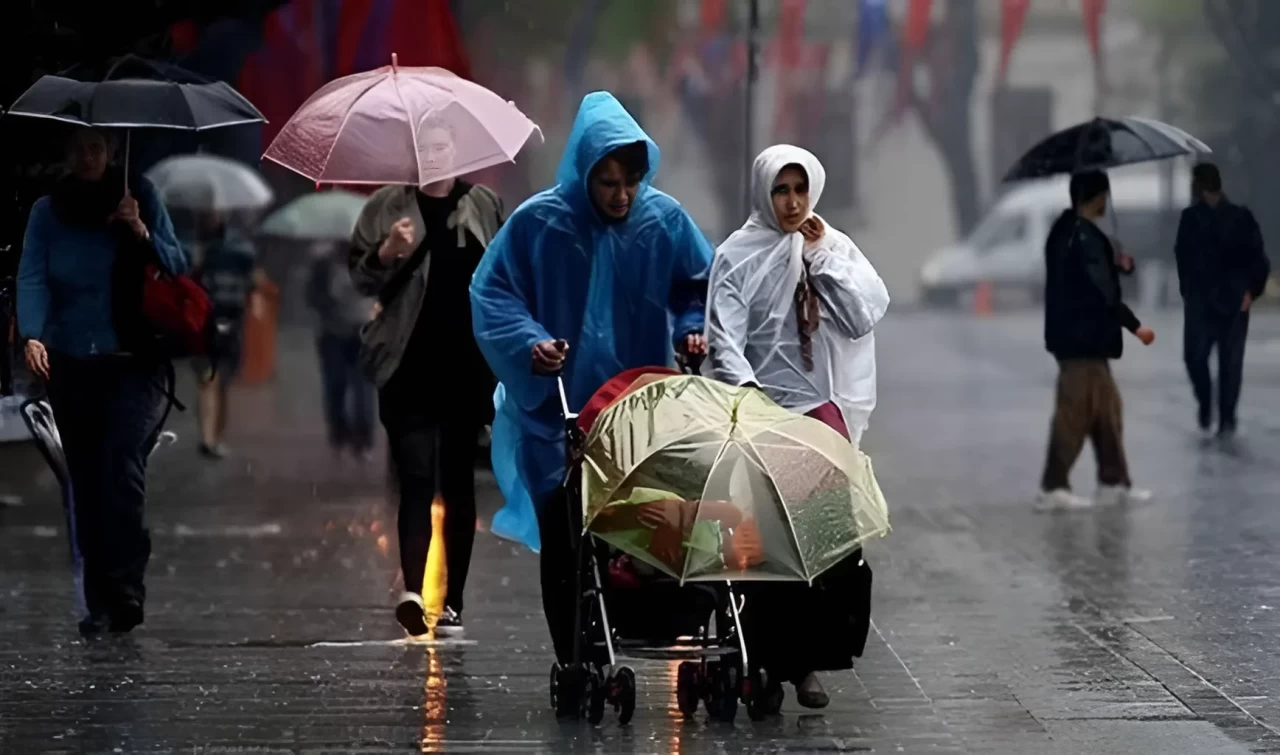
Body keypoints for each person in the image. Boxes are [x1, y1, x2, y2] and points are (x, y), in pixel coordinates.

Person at [470, 92, 713, 676]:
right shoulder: (539, 223)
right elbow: (494, 292)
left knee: (646, 523)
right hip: (557, 410)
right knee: (564, 531)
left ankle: (636, 626)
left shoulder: (664, 221)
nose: (620, 195)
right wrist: (532, 342)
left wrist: (690, 331)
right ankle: (576, 654)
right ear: (584, 173)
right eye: (607, 182)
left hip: (639, 406)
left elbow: (698, 287)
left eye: (629, 181)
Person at [705, 144, 888, 709]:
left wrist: (822, 257)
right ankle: (774, 659)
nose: (791, 203)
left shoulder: (826, 244)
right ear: (765, 192)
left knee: (828, 544)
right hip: (761, 416)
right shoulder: (736, 256)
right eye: (782, 191)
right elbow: (724, 338)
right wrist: (750, 398)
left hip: (819, 412)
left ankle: (813, 660)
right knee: (767, 549)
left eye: (800, 190)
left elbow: (861, 316)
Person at [18, 127, 187, 635]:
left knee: (121, 466)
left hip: (134, 361)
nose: (88, 156)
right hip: (72, 360)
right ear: (67, 155)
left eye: (97, 147)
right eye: (78, 148)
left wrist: (140, 232)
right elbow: (32, 275)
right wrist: (32, 334)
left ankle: (127, 587)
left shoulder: (139, 196)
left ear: (111, 151)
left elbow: (177, 263)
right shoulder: (48, 213)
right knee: (86, 482)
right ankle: (99, 601)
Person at [349, 116, 503, 638]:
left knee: (458, 482)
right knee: (415, 476)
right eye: (424, 147)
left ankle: (453, 601)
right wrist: (387, 251)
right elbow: (359, 275)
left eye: (441, 145)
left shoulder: (481, 205)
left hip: (465, 367)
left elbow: (504, 274)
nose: (433, 155)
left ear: (456, 149)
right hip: (406, 364)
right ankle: (414, 591)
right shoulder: (386, 206)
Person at [1038, 170, 1155, 510]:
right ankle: (1053, 486)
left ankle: (1113, 481)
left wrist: (1116, 262)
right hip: (1080, 340)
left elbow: (1094, 275)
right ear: (1097, 197)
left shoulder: (1074, 234)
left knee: (1107, 411)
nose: (1108, 200)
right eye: (1105, 193)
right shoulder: (1081, 237)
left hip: (1083, 339)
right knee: (1073, 413)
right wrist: (1135, 326)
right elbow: (1100, 291)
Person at [1174, 162, 1270, 437]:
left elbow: (1257, 259)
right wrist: (1188, 292)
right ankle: (1207, 402)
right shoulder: (1190, 219)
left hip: (1233, 301)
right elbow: (1182, 258)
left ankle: (1227, 417)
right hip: (1203, 302)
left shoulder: (1240, 218)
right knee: (1195, 359)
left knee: (1230, 364)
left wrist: (1252, 291)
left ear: (1201, 187)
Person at [190, 211, 257, 459]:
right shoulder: (196, 248)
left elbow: (249, 282)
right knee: (209, 380)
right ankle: (208, 438)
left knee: (222, 383)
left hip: (229, 323)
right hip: (204, 323)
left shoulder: (238, 249)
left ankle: (215, 436)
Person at [306, 242, 376, 461]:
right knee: (335, 387)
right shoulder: (324, 262)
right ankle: (339, 434)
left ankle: (362, 440)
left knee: (363, 390)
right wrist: (329, 303)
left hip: (364, 334)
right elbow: (312, 296)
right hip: (333, 333)